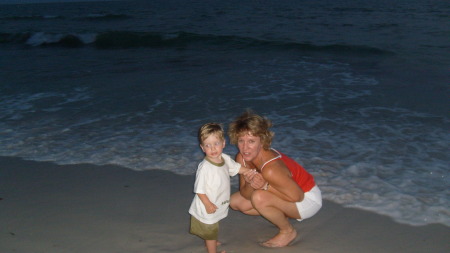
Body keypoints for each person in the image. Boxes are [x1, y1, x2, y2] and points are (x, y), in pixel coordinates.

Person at [228, 110, 322, 248]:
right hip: (287, 194)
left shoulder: (271, 169)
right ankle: (280, 214)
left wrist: (265, 186)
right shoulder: (241, 158)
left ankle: (287, 231)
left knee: (259, 197)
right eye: (241, 141)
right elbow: (245, 193)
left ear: (262, 141)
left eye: (251, 141)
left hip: (308, 198)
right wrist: (250, 184)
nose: (245, 147)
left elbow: (298, 196)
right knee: (236, 202)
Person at [189, 123, 251, 253]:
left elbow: (236, 168)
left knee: (212, 227)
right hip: (207, 205)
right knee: (211, 228)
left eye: (216, 143)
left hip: (217, 201)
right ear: (202, 147)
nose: (212, 148)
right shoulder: (205, 167)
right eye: (208, 145)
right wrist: (207, 204)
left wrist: (249, 172)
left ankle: (210, 240)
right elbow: (199, 190)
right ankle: (212, 248)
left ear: (223, 143)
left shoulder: (224, 158)